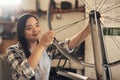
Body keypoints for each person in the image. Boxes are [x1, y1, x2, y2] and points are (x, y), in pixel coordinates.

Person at [5, 13, 90, 80]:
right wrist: (41, 44)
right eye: (29, 28)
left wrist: (89, 28)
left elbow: (68, 45)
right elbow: (26, 72)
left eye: (37, 25)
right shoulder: (12, 51)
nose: (35, 30)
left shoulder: (48, 48)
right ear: (22, 33)